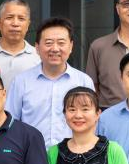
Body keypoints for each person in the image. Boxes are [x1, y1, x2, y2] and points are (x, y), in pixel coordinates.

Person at [6, 17, 95, 147]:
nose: (55, 49)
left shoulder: (83, 81)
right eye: (48, 43)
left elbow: (91, 123)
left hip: (73, 155)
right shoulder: (21, 81)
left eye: (61, 43)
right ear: (37, 47)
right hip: (30, 154)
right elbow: (10, 122)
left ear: (71, 46)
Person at [0, 0, 40, 89]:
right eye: (9, 17)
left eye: (21, 18)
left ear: (28, 25)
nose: (15, 23)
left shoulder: (38, 56)